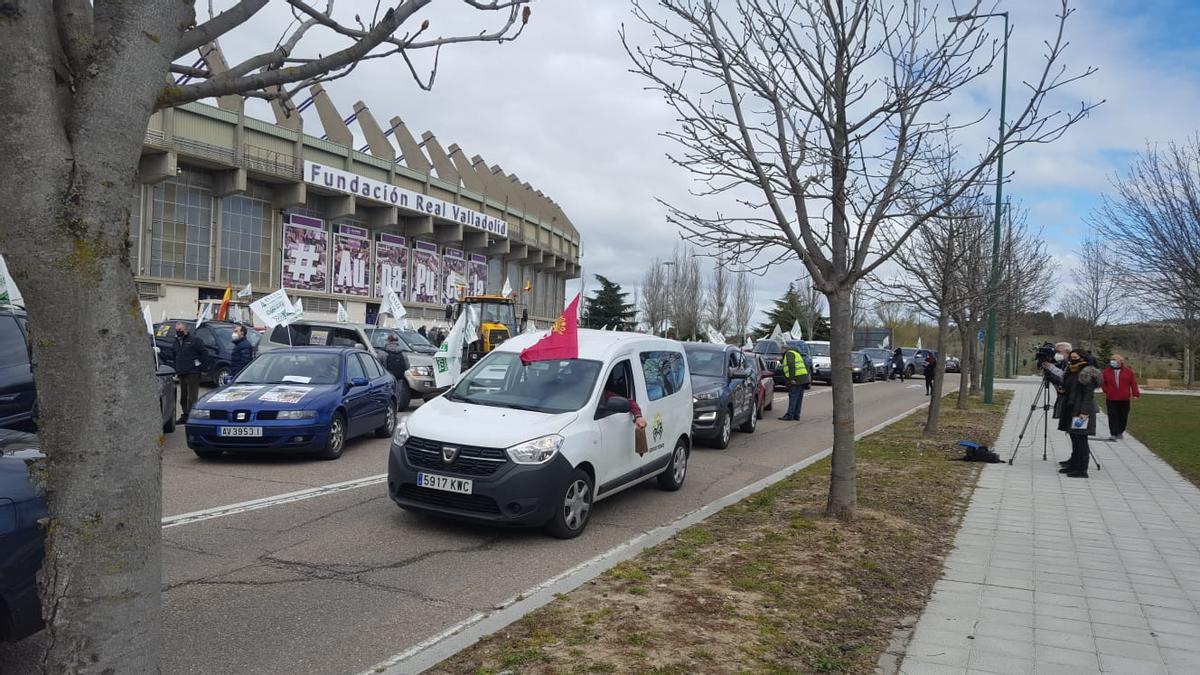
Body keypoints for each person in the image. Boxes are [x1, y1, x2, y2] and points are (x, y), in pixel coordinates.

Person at [1047, 349, 1102, 478]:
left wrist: (1084, 412)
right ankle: (1074, 465)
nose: (1072, 360)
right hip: (1071, 408)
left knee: (1080, 439)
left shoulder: (1087, 373)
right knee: (1074, 437)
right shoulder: (1072, 371)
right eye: (1071, 357)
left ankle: (1082, 469)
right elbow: (1068, 387)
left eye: (1076, 357)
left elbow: (1088, 395)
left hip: (1081, 410)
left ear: (1083, 358)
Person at [1101, 353, 1140, 440]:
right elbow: (1103, 383)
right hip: (1111, 398)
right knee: (1112, 415)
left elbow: (1133, 383)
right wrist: (1106, 390)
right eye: (1112, 360)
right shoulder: (1106, 372)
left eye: (1115, 360)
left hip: (1124, 398)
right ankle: (1113, 433)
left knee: (1123, 415)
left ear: (1121, 361)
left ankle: (1120, 431)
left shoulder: (1128, 372)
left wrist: (1135, 394)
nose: (1113, 361)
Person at [173, 323, 205, 423]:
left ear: (186, 330)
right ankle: (185, 415)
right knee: (183, 398)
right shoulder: (176, 342)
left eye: (180, 329)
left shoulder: (195, 341)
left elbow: (204, 353)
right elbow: (175, 355)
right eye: (177, 329)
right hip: (182, 372)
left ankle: (192, 416)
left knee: (192, 397)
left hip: (193, 373)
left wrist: (200, 367)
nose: (178, 331)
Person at [778, 342, 809, 421]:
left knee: (793, 397)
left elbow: (791, 366)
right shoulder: (795, 353)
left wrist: (791, 379)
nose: (780, 350)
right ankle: (796, 415)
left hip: (796, 379)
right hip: (803, 378)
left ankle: (790, 415)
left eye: (781, 349)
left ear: (784, 349)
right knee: (799, 398)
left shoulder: (789, 354)